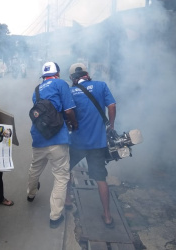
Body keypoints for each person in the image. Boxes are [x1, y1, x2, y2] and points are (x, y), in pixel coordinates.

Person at [27, 61, 78, 228]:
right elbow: (69, 110)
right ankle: (55, 217)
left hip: (39, 136)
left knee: (36, 167)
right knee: (61, 176)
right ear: (58, 73)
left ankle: (31, 193)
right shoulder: (60, 83)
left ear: (43, 76)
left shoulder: (36, 90)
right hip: (58, 137)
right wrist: (74, 125)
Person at [66, 63, 117, 229]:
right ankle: (107, 215)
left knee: (66, 169)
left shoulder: (71, 91)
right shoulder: (101, 85)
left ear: (73, 77)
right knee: (101, 178)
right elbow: (112, 105)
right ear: (86, 73)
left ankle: (67, 200)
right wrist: (111, 125)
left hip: (78, 142)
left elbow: (68, 112)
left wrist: (72, 124)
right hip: (97, 143)